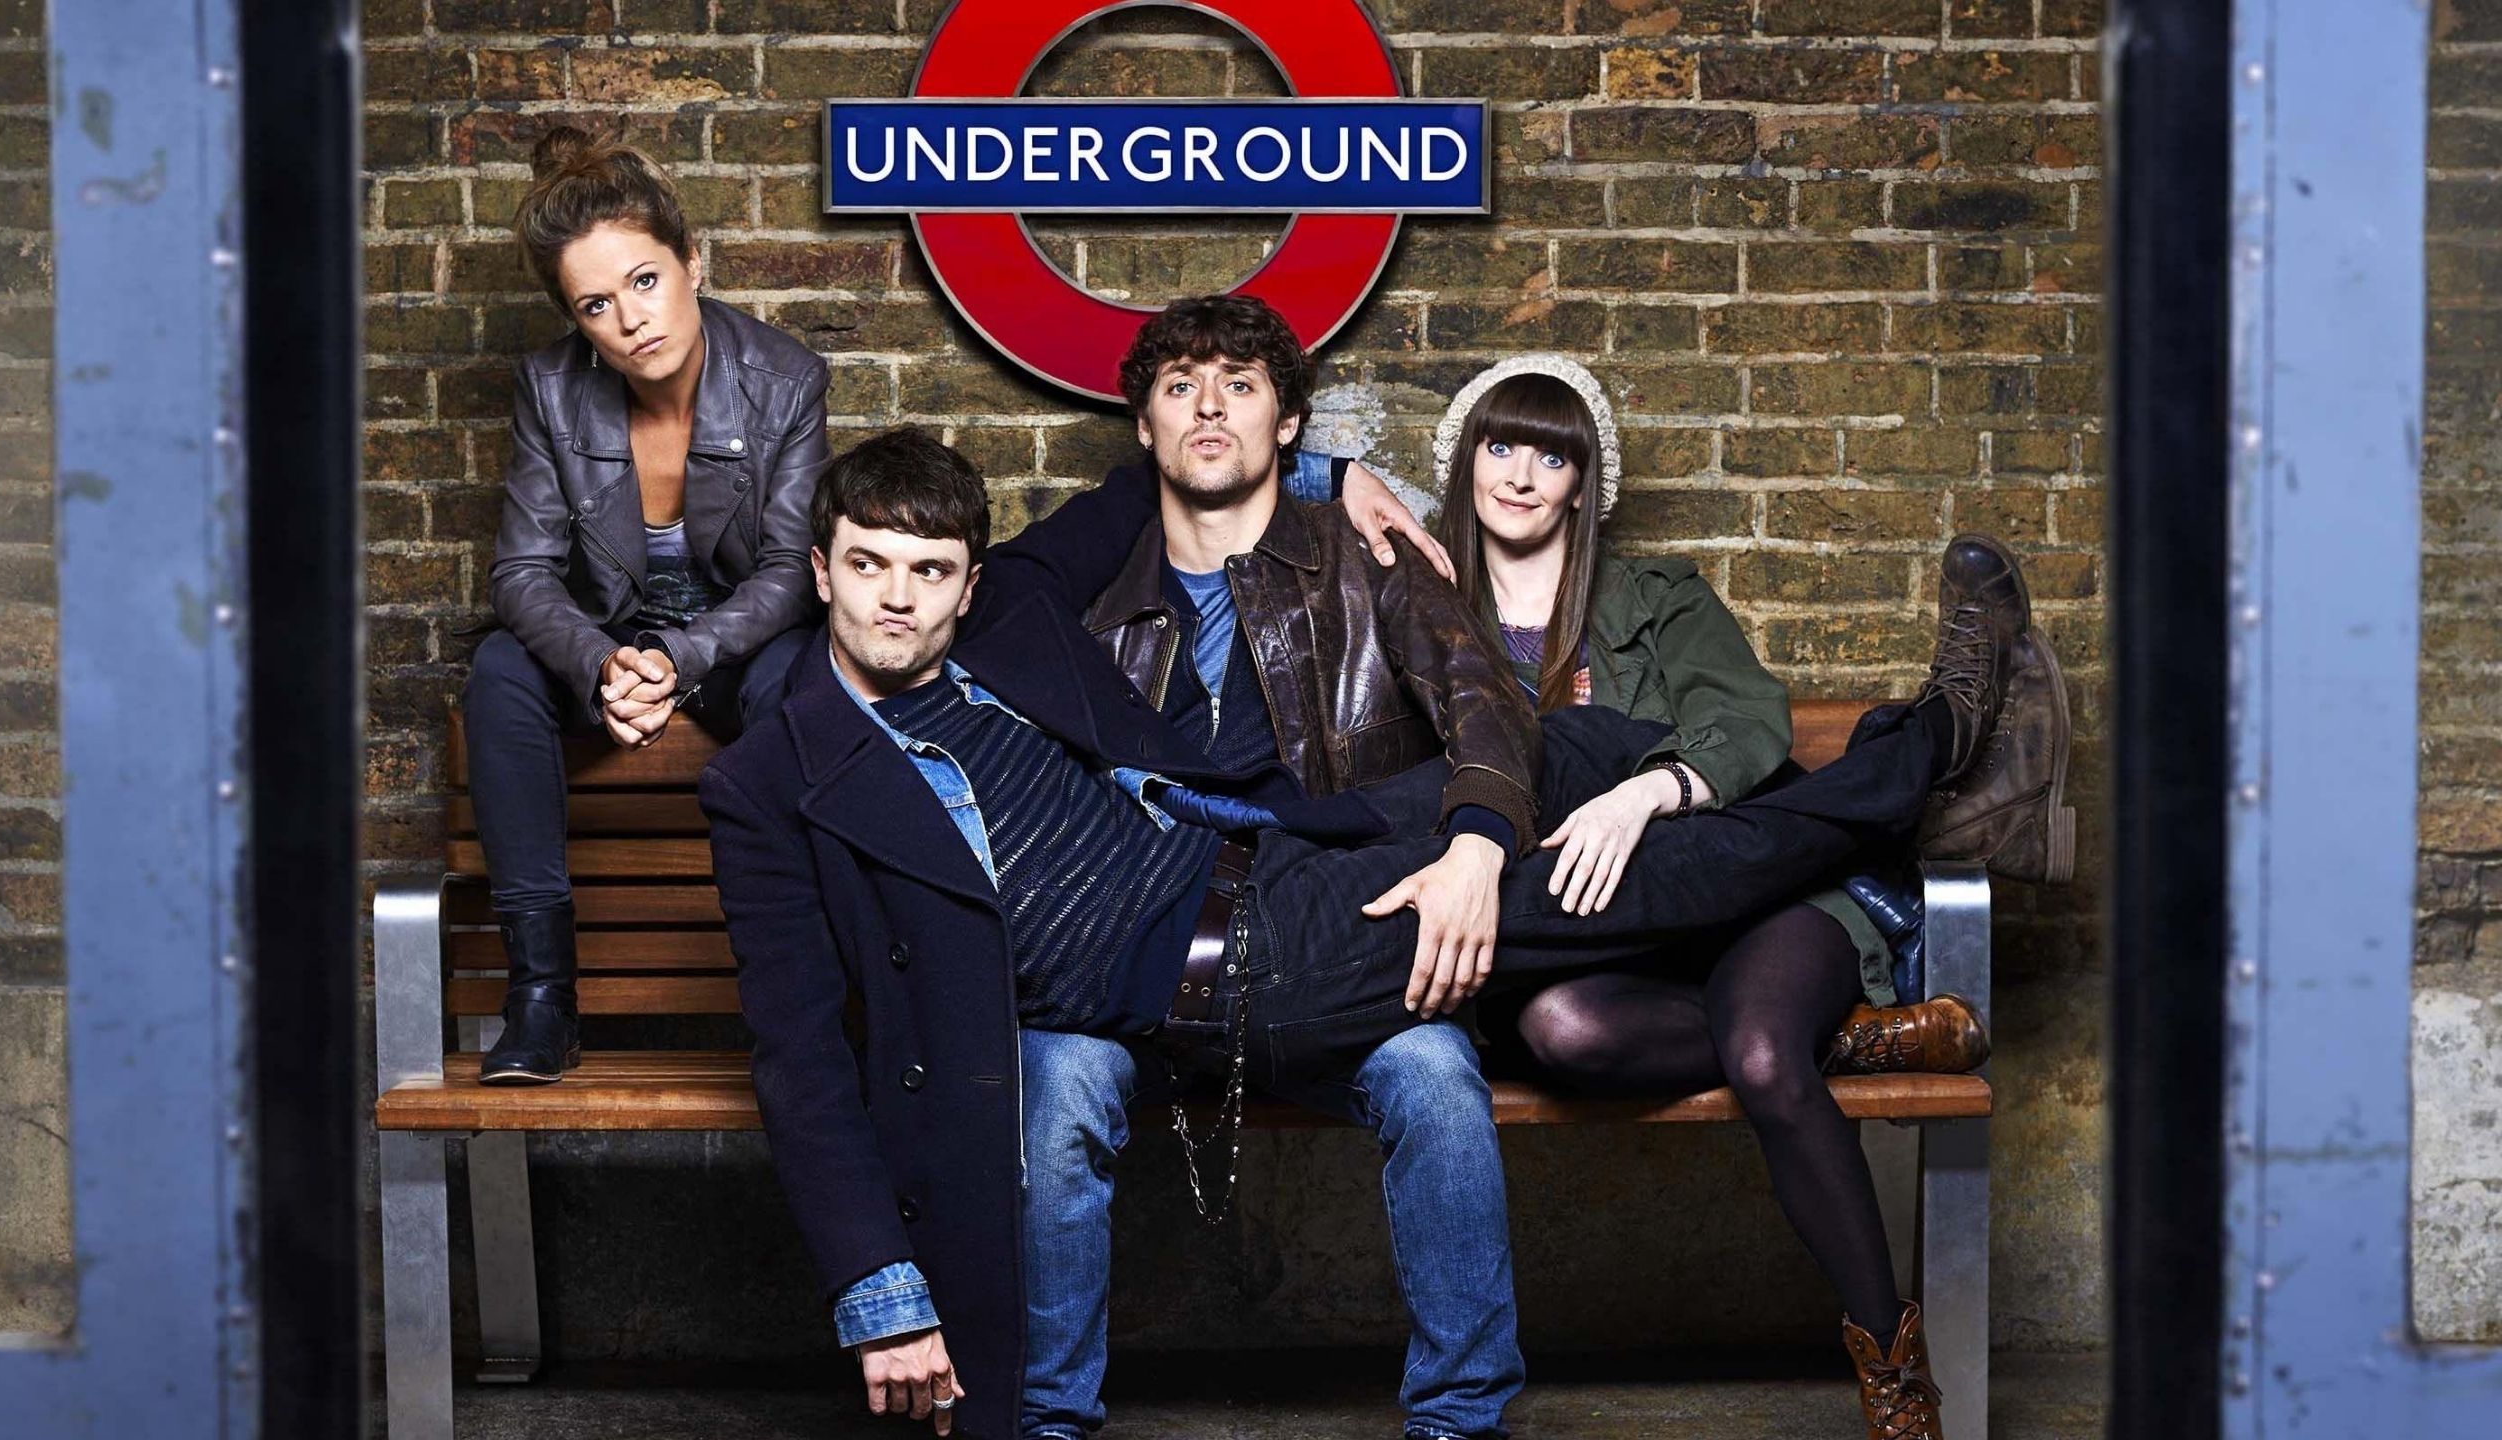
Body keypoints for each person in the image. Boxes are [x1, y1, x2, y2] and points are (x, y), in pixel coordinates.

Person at [701, 427, 2033, 1440]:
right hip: (1243, 983)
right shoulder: (774, 781)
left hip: (1274, 862)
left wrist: (1339, 473)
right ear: (819, 571)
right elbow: (800, 1061)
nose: (896, 600)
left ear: (965, 580)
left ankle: (1877, 790)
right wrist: (883, 1298)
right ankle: (1923, 765)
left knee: (1561, 746)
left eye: (927, 572)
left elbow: (1146, 480)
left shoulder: (1002, 619)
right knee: (1601, 888)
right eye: (866, 567)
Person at [1344, 353, 2070, 1439]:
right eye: (1501, 446)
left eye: (1554, 454)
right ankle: (1867, 1007)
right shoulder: (1417, 617)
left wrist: (1648, 791)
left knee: (1767, 1052)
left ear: (1586, 484)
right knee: (1563, 1028)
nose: (1523, 475)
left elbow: (1746, 722)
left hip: (1750, 894)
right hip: (1594, 940)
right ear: (1464, 464)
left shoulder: (1655, 597)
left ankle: (1896, 1379)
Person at [1041, 295, 1543, 1440]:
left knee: (1435, 1080)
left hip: (1337, 940)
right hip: (1138, 960)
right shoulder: (1078, 596)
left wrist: (1475, 844)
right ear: (1141, 428)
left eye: (1239, 383)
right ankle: (1043, 1420)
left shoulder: (1367, 563)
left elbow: (1491, 711)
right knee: (1053, 1087)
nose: (1208, 404)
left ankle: (1460, 1423)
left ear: (1289, 424)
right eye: (1178, 385)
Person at [462, 125, 829, 1085]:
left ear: (691, 262)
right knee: (501, 664)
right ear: (575, 322)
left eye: (644, 282)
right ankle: (542, 997)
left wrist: (682, 659)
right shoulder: (549, 389)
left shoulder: (784, 380)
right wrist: (603, 664)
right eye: (595, 304)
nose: (631, 320)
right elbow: (523, 573)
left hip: (735, 651)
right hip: (613, 653)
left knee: (806, 673)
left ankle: (793, 991)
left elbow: (791, 571)